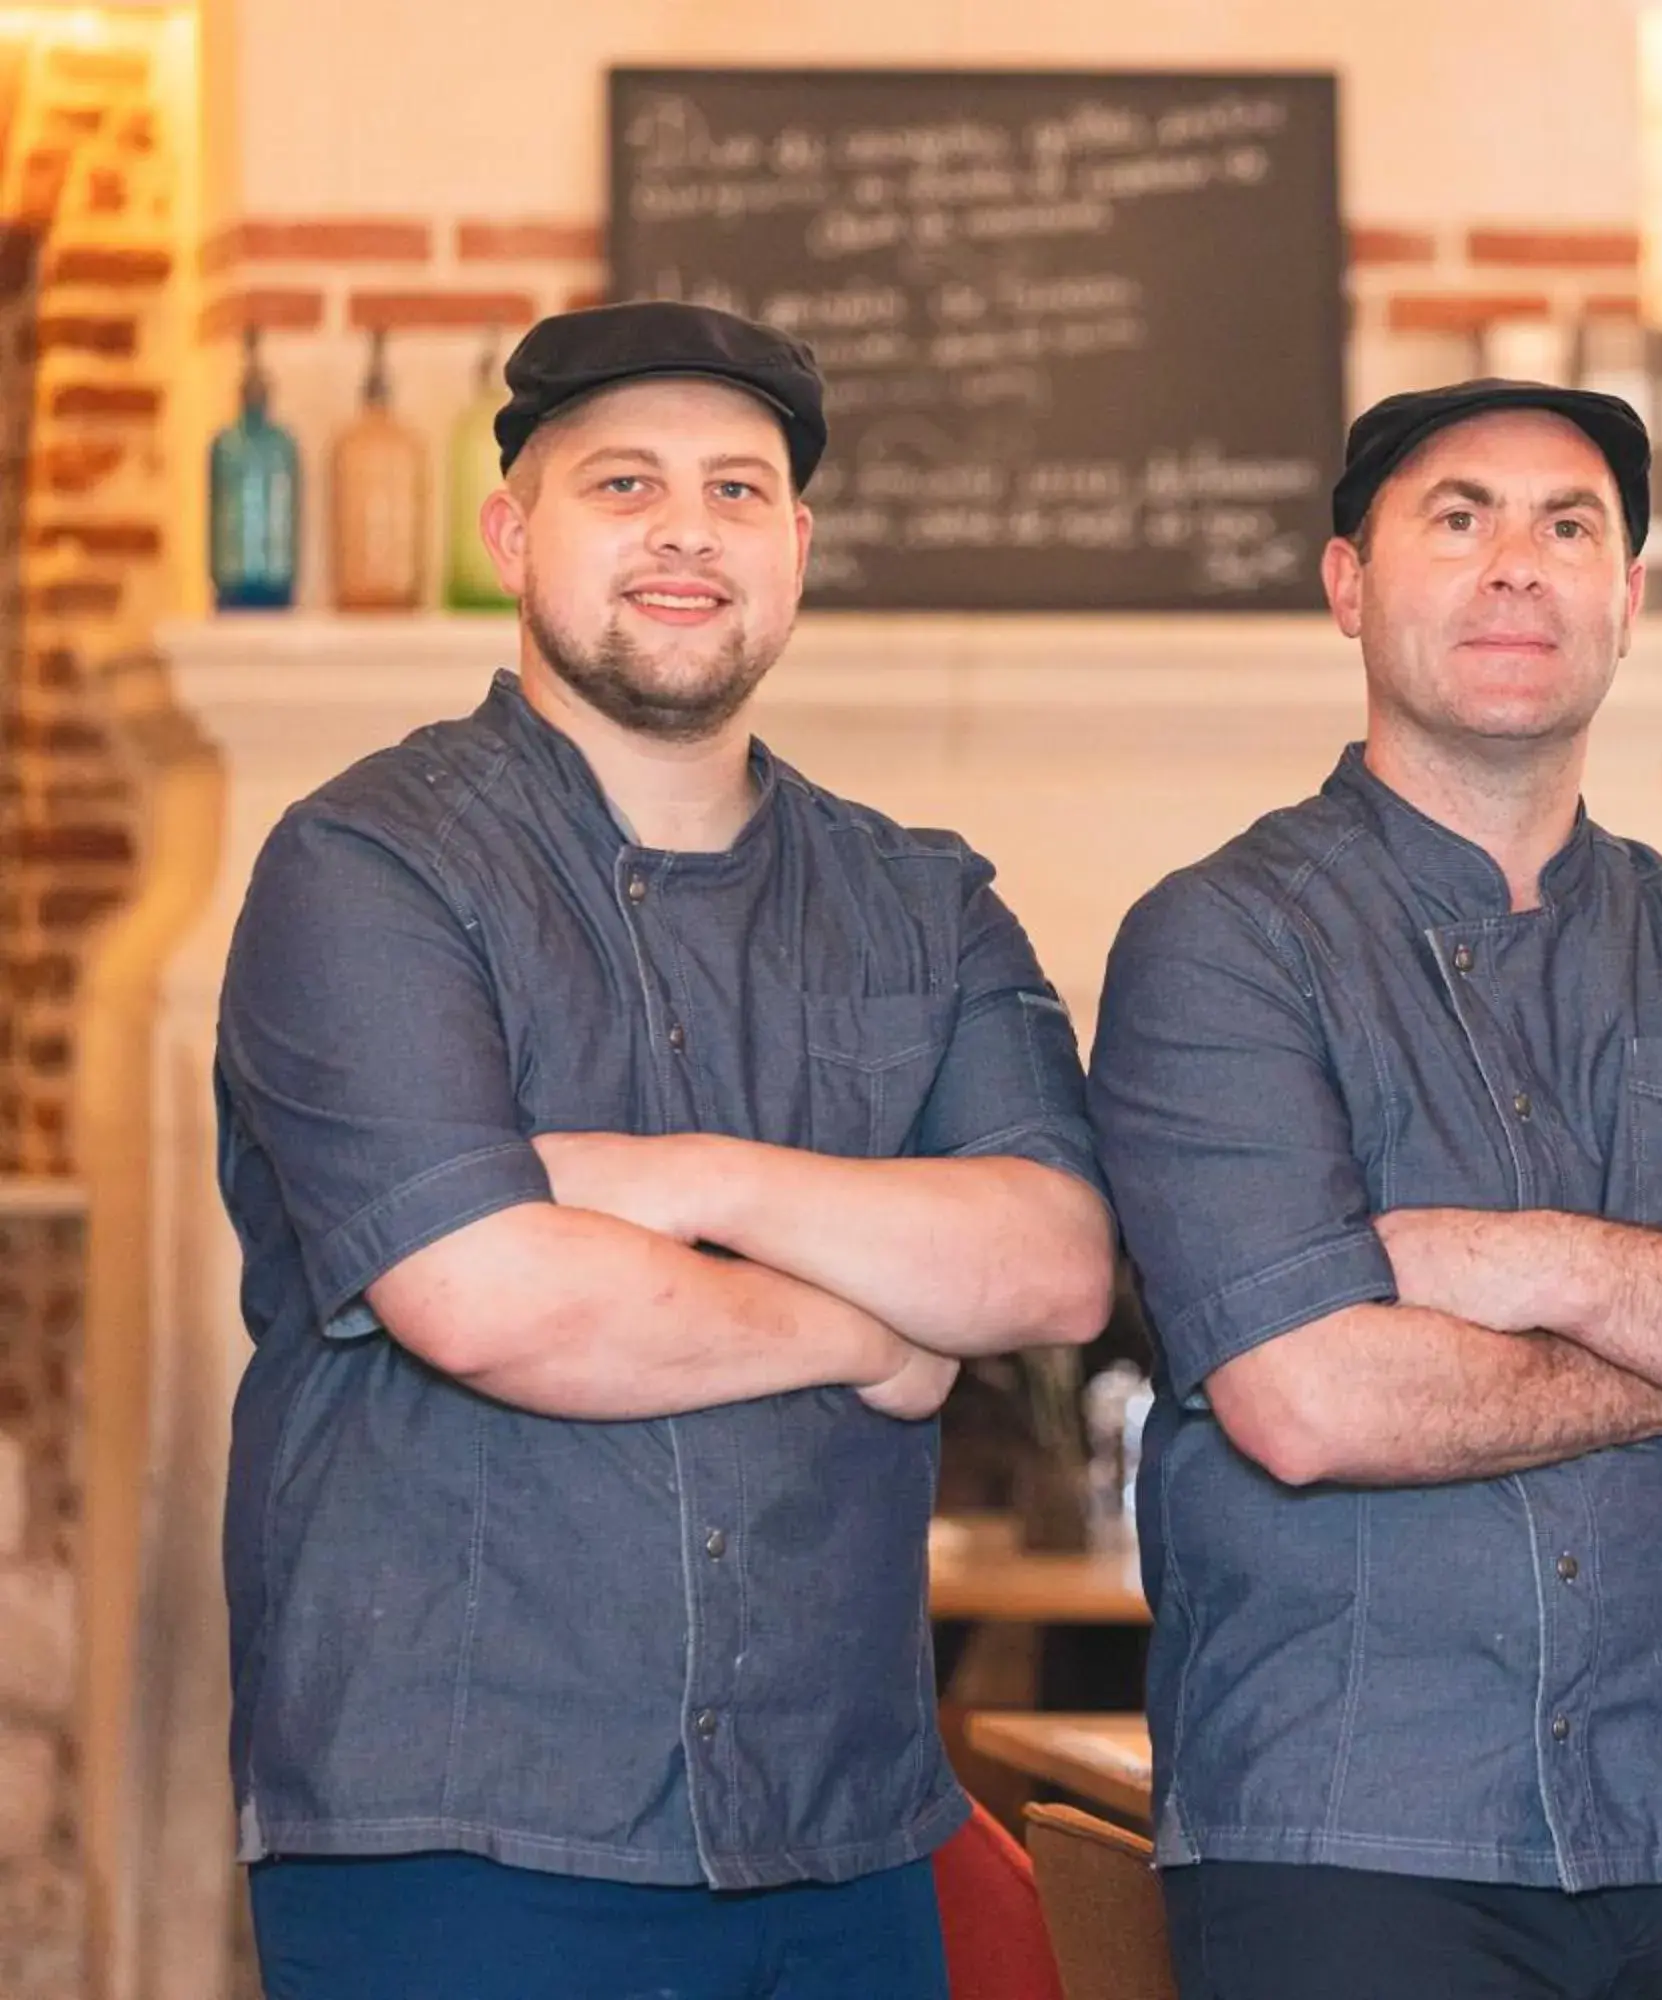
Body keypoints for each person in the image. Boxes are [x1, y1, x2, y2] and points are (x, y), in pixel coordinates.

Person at [215, 301, 1115, 2000]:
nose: (685, 531)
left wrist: (691, 1178)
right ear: (512, 533)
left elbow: (1054, 1263)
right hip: (463, 1835)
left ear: (798, 546)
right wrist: (871, 1327)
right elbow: (489, 1299)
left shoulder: (925, 901)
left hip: (842, 1835)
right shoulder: (363, 869)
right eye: (623, 483)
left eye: (737, 489)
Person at [1086, 380, 1662, 1999]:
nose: (1519, 566)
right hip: (1346, 1832)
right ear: (1347, 583)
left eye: (1571, 528)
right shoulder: (1220, 942)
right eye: (1460, 517)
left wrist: (1542, 1264)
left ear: (1626, 602)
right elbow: (1311, 1398)